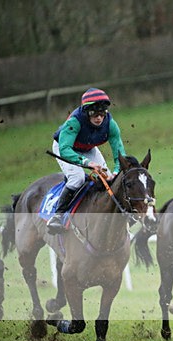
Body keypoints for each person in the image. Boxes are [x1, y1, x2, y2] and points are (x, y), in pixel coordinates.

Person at [47, 88, 127, 234]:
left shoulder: (111, 124)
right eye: (94, 113)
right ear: (86, 111)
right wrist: (87, 163)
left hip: (88, 148)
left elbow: (120, 155)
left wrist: (116, 171)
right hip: (65, 148)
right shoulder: (75, 121)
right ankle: (57, 216)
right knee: (77, 178)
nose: (99, 118)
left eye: (102, 113)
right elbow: (65, 149)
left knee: (109, 179)